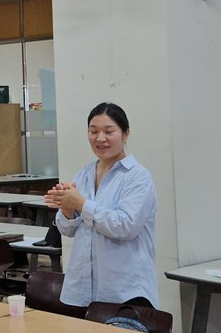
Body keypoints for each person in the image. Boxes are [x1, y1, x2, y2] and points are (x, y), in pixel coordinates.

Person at [45, 102, 158, 308]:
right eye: (93, 131)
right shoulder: (84, 174)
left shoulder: (137, 177)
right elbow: (68, 230)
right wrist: (67, 209)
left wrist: (81, 204)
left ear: (125, 134)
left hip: (125, 291)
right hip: (82, 289)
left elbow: (125, 226)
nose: (100, 138)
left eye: (109, 131)